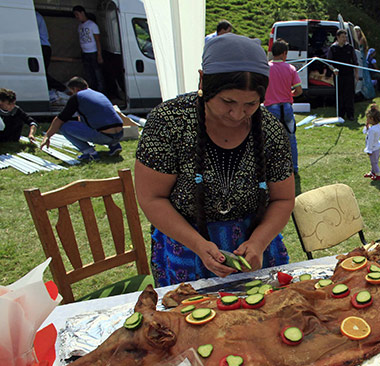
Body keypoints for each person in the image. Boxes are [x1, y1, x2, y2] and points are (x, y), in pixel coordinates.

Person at [134, 34, 294, 287]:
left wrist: (259, 242)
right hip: (186, 248)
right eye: (227, 101)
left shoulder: (269, 129)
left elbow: (283, 199)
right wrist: (198, 244)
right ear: (202, 81)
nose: (237, 113)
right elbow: (152, 198)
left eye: (250, 104)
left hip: (255, 250)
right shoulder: (168, 122)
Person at [40, 77, 123, 160]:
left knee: (64, 126)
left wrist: (47, 136)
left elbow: (60, 119)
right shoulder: (99, 94)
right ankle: (114, 145)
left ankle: (89, 152)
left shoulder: (77, 97)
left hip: (104, 136)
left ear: (75, 89)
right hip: (120, 133)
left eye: (71, 91)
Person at [266, 39, 302, 174]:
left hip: (271, 108)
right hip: (286, 107)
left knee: (271, 140)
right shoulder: (290, 68)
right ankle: (294, 168)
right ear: (284, 53)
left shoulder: (266, 68)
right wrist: (290, 94)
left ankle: (272, 169)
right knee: (291, 138)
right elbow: (299, 91)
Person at [327, 29, 359, 121]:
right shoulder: (333, 48)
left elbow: (355, 62)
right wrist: (333, 70)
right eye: (342, 37)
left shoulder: (350, 48)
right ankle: (340, 114)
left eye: (345, 37)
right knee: (340, 95)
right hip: (338, 75)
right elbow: (329, 63)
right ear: (337, 37)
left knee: (349, 95)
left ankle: (350, 115)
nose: (344, 39)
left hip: (349, 74)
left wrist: (356, 74)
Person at [72, 5, 104, 93]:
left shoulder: (92, 25)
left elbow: (97, 41)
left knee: (97, 73)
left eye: (77, 14)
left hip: (93, 52)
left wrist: (99, 54)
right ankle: (91, 89)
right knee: (88, 73)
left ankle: (101, 90)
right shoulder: (80, 26)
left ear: (82, 13)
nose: (76, 17)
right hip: (85, 52)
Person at [36, 11, 68, 93]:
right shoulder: (37, 15)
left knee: (40, 73)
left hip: (42, 46)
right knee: (41, 73)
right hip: (43, 46)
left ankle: (62, 88)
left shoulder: (35, 16)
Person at [354, 26, 375, 100]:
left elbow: (362, 49)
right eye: (355, 31)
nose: (357, 33)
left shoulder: (361, 40)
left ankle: (366, 93)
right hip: (359, 57)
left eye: (358, 31)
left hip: (361, 58)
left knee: (364, 75)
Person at [363, 103, 380, 181]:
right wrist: (367, 127)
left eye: (368, 118)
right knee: (374, 162)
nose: (367, 120)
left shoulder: (372, 130)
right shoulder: (376, 127)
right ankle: (372, 172)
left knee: (374, 163)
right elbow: (366, 132)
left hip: (373, 149)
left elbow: (370, 141)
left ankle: (378, 175)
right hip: (377, 147)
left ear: (371, 119)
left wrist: (369, 150)